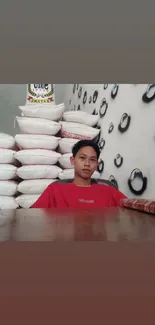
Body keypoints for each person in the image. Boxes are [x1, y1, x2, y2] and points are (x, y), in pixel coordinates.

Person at [31, 139, 126, 208]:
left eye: (92, 160)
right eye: (82, 158)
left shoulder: (109, 191)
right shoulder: (55, 190)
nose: (87, 164)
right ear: (73, 160)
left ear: (96, 164)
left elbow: (133, 207)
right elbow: (33, 216)